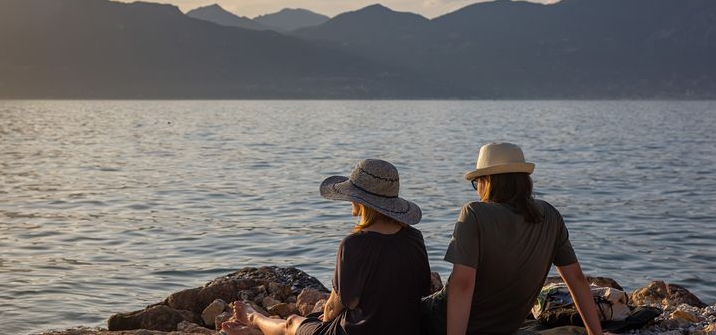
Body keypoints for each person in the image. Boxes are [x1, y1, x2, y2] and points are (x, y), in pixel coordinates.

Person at [223, 159, 432, 335]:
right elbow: (421, 290)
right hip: (408, 329)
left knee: (293, 322)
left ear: (361, 201)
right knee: (312, 319)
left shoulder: (354, 244)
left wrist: (323, 319)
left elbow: (333, 307)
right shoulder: (414, 238)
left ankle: (253, 318)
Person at [446, 143, 604, 335]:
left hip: (444, 322)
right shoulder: (549, 215)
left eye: (477, 182)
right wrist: (596, 333)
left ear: (487, 181)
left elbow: (462, 284)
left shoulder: (475, 213)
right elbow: (577, 279)